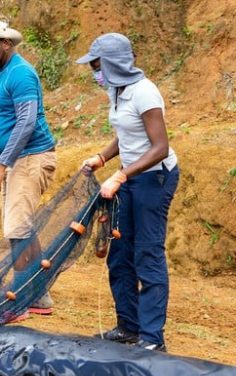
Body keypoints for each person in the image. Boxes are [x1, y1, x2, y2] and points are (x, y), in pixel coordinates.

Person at [78, 33, 179, 351]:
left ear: (115, 63)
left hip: (154, 179)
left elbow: (159, 147)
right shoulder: (117, 91)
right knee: (120, 255)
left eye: (98, 66)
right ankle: (128, 326)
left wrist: (119, 175)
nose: (96, 74)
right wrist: (102, 158)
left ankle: (151, 339)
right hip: (131, 178)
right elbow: (127, 134)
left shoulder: (144, 92)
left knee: (147, 254)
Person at [0, 21, 57, 318]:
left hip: (31, 158)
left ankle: (19, 301)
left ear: (6, 44)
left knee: (17, 228)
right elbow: (0, 123)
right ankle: (38, 294)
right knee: (22, 226)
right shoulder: (0, 75)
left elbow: (26, 122)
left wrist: (2, 164)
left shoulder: (21, 74)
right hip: (16, 158)